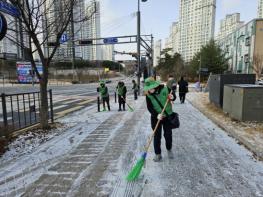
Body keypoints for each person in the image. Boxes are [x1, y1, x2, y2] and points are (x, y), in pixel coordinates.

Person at [144, 77, 176, 162]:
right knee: (157, 136)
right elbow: (149, 107)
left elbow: (174, 96)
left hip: (167, 116)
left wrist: (172, 97)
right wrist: (156, 114)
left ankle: (169, 149)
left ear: (155, 85)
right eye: (148, 89)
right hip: (156, 117)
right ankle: (158, 154)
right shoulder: (148, 95)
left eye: (150, 88)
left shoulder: (165, 89)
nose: (149, 90)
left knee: (168, 135)